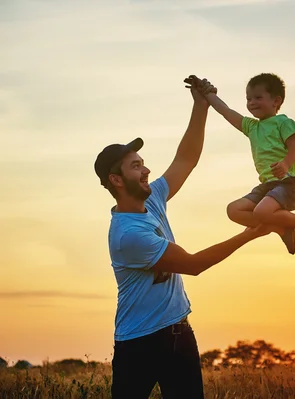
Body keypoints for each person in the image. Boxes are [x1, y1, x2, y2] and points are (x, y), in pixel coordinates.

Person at [94, 76, 272, 399]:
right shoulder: (127, 235)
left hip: (179, 334)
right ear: (116, 180)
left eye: (143, 163)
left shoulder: (153, 198)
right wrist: (249, 234)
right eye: (136, 166)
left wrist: (200, 106)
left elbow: (186, 158)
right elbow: (193, 264)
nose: (146, 170)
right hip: (138, 344)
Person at [194, 73, 295, 257]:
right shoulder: (252, 127)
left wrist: (285, 164)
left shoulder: (283, 122)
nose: (251, 102)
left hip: (291, 183)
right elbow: (225, 110)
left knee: (261, 212)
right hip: (268, 186)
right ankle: (281, 228)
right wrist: (207, 92)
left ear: (276, 101)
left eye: (258, 97)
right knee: (234, 210)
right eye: (248, 99)